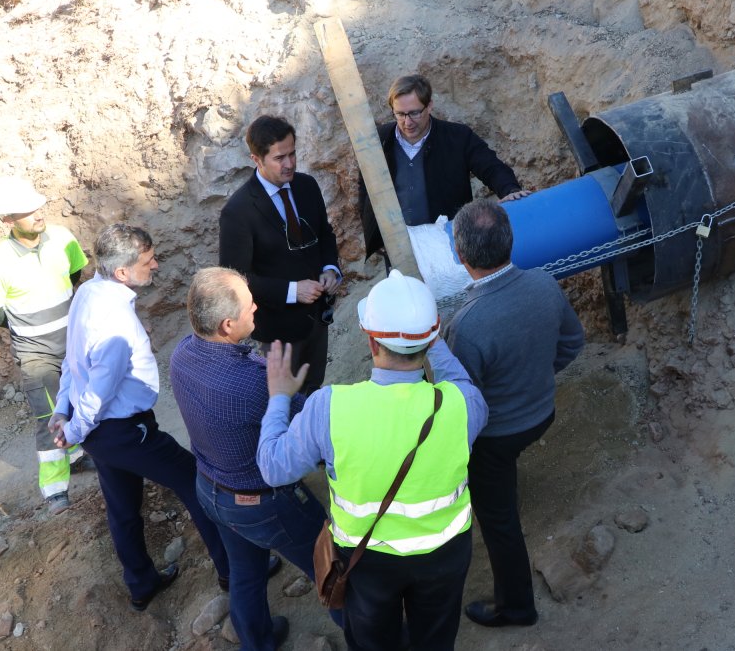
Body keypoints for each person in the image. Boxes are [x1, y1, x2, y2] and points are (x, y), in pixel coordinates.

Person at [257, 270, 488, 651]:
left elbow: (273, 467)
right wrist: (428, 338)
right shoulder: (463, 405)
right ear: (432, 337)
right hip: (444, 553)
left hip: (366, 560)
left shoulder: (330, 407)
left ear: (370, 340)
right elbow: (458, 381)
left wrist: (279, 397)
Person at [48, 224, 230, 612]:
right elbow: (98, 388)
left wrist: (63, 410)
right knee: (194, 478)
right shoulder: (113, 321)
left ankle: (141, 583)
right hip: (122, 431)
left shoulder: (85, 293)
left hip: (103, 435)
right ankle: (234, 570)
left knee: (123, 510)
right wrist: (74, 428)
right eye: (148, 262)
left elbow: (73, 359)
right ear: (122, 273)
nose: (156, 265)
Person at [170, 267, 334, 649]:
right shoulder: (251, 382)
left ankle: (257, 642)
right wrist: (287, 393)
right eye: (249, 305)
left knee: (245, 575)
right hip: (262, 502)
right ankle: (368, 634)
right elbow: (309, 422)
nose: (256, 306)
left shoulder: (181, 354)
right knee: (329, 568)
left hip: (211, 490)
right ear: (228, 325)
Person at [444, 199, 584, 628]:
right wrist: (535, 378)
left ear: (461, 257)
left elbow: (462, 408)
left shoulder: (466, 325)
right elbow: (571, 343)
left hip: (496, 437)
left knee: (500, 522)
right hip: (541, 412)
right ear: (510, 240)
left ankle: (517, 607)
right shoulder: (545, 283)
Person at [0, 176, 91, 515]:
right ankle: (55, 489)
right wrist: (31, 332)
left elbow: (76, 272)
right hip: (36, 355)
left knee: (86, 402)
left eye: (38, 206)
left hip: (73, 344)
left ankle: (80, 455)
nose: (38, 214)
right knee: (48, 416)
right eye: (27, 211)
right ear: (7, 220)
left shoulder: (63, 238)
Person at [219, 115, 341, 391]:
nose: (289, 164)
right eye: (279, 158)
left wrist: (330, 268)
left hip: (317, 321)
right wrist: (291, 291)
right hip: (277, 330)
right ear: (256, 159)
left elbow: (325, 235)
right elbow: (233, 279)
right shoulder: (238, 211)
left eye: (292, 154)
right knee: (284, 401)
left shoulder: (307, 186)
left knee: (312, 392)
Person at [358, 74, 531, 261]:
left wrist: (510, 189)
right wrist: (376, 236)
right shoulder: (377, 141)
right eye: (400, 114)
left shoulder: (458, 137)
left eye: (415, 113)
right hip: (399, 249)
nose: (407, 122)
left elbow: (491, 167)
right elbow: (365, 191)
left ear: (429, 106)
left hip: (450, 242)